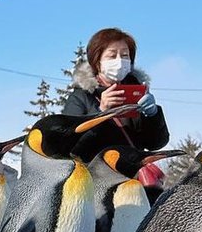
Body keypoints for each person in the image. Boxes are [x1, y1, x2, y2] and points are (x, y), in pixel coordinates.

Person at [62, 27, 169, 162]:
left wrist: (153, 114)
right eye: (112, 56)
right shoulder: (81, 98)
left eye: (125, 55)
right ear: (97, 61)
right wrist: (100, 113)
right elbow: (71, 146)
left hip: (132, 176)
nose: (119, 61)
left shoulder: (137, 93)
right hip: (96, 177)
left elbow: (156, 143)